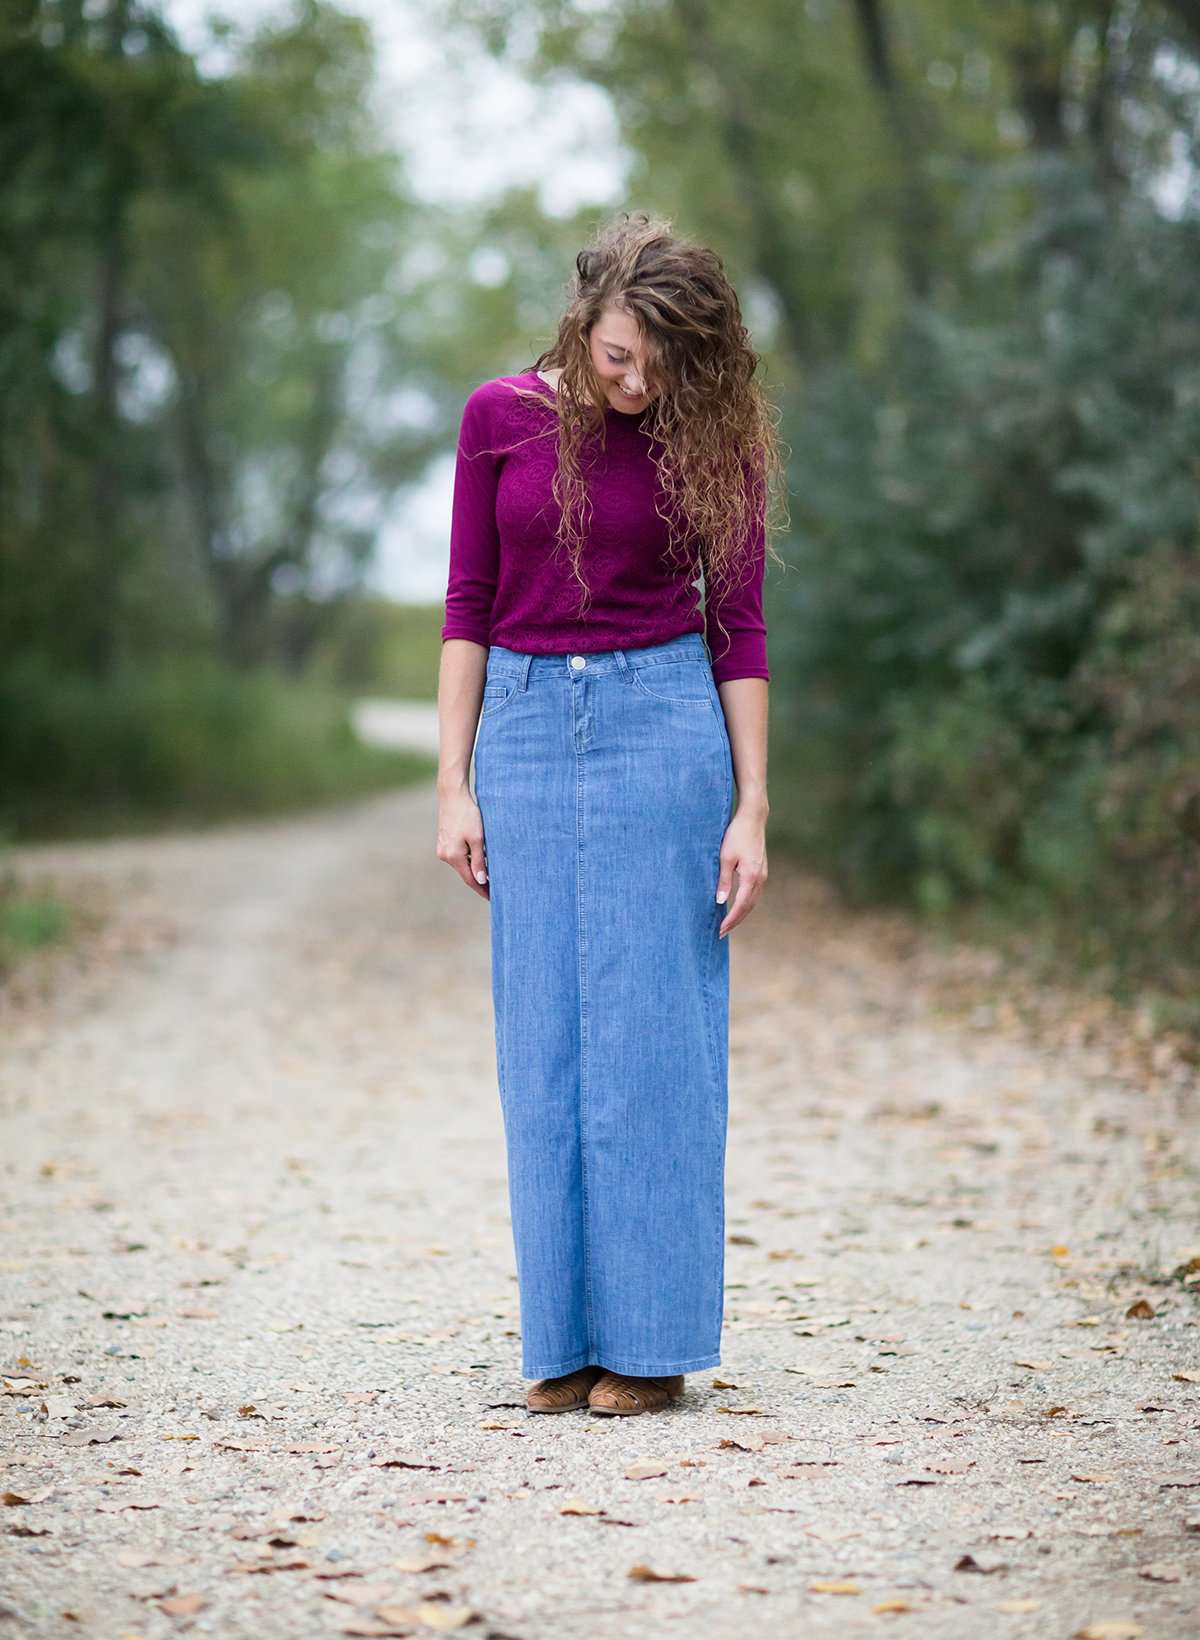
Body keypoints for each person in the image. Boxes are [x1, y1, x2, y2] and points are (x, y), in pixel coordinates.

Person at [436, 210, 784, 1418]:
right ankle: (564, 1339)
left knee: (656, 1038)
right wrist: (452, 778)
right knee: (544, 1041)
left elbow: (737, 626)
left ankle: (651, 1343)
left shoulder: (710, 441)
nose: (635, 384)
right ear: (586, 320)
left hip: (661, 720)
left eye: (661, 367)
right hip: (525, 726)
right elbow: (468, 602)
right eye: (619, 356)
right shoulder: (497, 418)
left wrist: (751, 801)